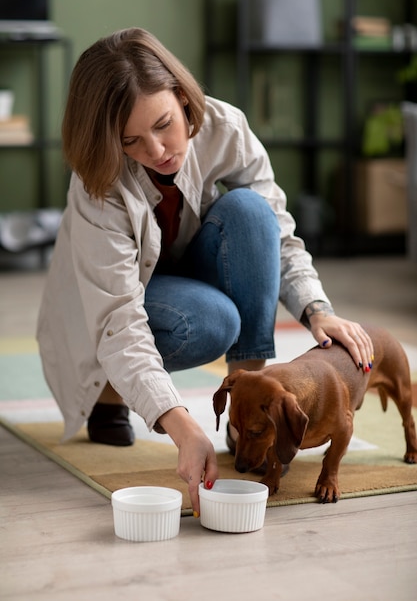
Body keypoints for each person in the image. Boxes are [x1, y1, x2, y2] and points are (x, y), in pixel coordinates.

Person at [37, 27, 374, 516]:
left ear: (181, 92)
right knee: (214, 321)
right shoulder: (97, 184)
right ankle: (110, 392)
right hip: (125, 305)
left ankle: (249, 415)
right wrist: (184, 426)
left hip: (193, 268)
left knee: (252, 211)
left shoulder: (225, 126)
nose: (156, 151)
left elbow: (275, 229)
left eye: (164, 124)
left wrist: (316, 307)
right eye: (130, 140)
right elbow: (117, 320)